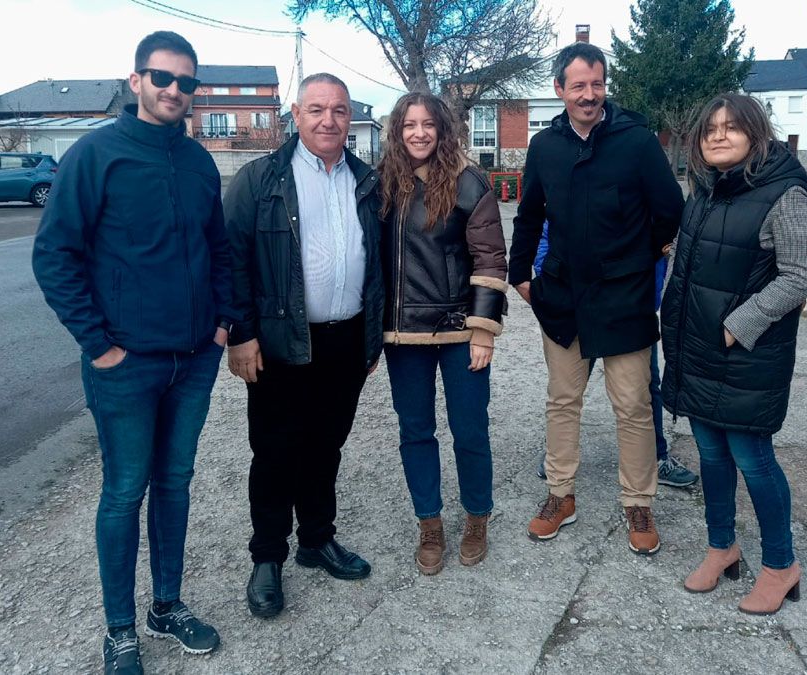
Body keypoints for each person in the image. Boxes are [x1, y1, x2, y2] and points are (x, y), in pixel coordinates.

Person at [32, 31, 234, 674]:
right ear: (136, 79)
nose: (174, 91)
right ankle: (120, 629)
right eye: (162, 77)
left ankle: (165, 606)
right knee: (124, 492)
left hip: (194, 358)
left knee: (175, 483)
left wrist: (224, 323)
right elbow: (54, 255)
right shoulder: (96, 156)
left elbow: (219, 249)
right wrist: (99, 345)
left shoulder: (200, 163)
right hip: (126, 364)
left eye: (186, 83)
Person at [508, 42, 684, 553]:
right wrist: (523, 276)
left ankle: (638, 502)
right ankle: (560, 496)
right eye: (579, 85)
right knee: (562, 400)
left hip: (624, 294)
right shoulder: (545, 146)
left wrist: (640, 255)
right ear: (559, 89)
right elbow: (529, 216)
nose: (589, 95)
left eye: (598, 84)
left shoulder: (636, 141)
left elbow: (670, 209)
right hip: (562, 293)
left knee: (632, 404)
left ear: (606, 86)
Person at [225, 73, 383, 618]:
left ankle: (316, 540)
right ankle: (267, 557)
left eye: (339, 111)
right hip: (280, 343)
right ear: (296, 114)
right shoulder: (260, 179)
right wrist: (241, 334)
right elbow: (232, 263)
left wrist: (370, 339)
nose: (328, 120)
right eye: (317, 109)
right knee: (274, 452)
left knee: (325, 447)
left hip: (345, 340)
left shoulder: (366, 180)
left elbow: (379, 264)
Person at [660, 93, 807, 615]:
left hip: (747, 352)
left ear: (757, 132)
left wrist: (738, 325)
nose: (719, 136)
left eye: (732, 127)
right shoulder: (704, 191)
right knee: (709, 454)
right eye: (710, 129)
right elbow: (686, 266)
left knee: (753, 458)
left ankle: (780, 565)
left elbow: (799, 276)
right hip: (698, 347)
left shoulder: (784, 192)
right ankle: (722, 548)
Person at [378, 92, 508, 575]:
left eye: (427, 124)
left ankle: (477, 517)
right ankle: (429, 524)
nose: (418, 132)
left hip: (459, 332)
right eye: (409, 124)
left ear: (442, 129)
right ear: (397, 130)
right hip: (403, 336)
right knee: (415, 432)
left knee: (470, 430)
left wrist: (483, 331)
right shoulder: (382, 185)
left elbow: (491, 258)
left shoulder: (468, 182)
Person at [532, 224, 698, 488]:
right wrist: (550, 284)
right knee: (565, 392)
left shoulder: (643, 185)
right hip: (577, 307)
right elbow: (546, 235)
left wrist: (649, 293)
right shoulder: (569, 184)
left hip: (628, 305)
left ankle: (655, 457)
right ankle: (557, 458)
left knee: (642, 391)